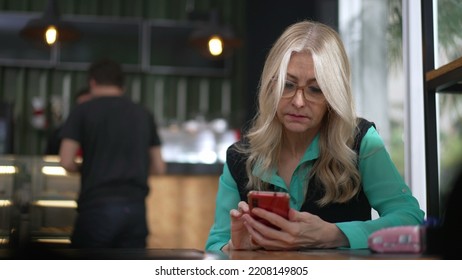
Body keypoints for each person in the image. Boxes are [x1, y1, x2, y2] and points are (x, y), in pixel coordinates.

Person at [205, 20, 425, 251]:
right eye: (288, 85)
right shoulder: (239, 156)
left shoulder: (361, 142)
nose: (298, 102)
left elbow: (411, 219)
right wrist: (233, 247)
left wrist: (335, 235)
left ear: (332, 95)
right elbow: (214, 246)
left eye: (315, 89)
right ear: (271, 87)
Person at [59, 58, 166, 248]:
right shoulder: (143, 113)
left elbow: (66, 160)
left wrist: (87, 167)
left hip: (96, 207)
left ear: (92, 82)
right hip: (135, 209)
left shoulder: (83, 111)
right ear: (122, 85)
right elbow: (159, 167)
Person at [44, 87, 92, 155]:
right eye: (81, 106)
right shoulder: (60, 134)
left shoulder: (104, 132)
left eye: (89, 106)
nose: (85, 110)